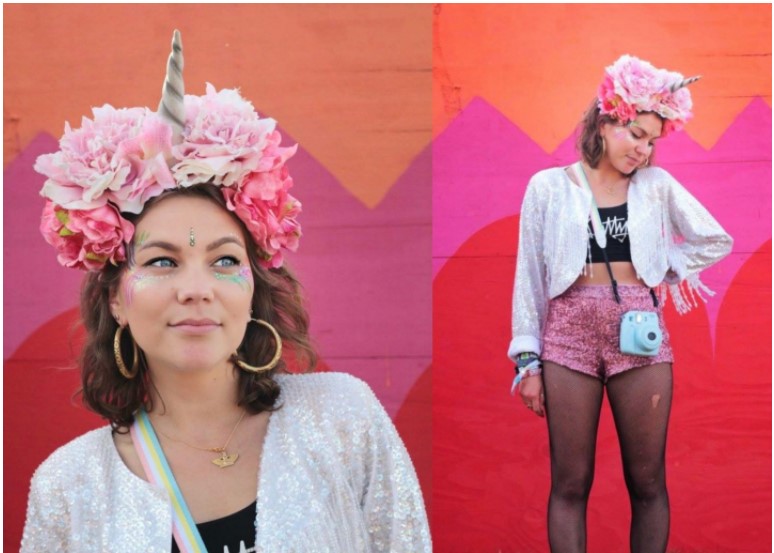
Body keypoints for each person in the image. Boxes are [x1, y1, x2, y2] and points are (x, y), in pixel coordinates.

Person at [21, 30, 431, 553]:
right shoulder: (68, 487)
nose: (197, 289)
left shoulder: (342, 420)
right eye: (162, 261)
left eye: (225, 261)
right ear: (117, 299)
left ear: (254, 287)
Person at [509, 55, 733, 553]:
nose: (643, 150)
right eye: (635, 133)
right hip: (567, 334)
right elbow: (529, 276)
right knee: (570, 482)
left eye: (652, 140)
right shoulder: (547, 188)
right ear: (605, 121)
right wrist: (527, 362)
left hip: (639, 331)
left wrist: (659, 269)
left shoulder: (655, 187)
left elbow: (715, 239)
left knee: (648, 481)